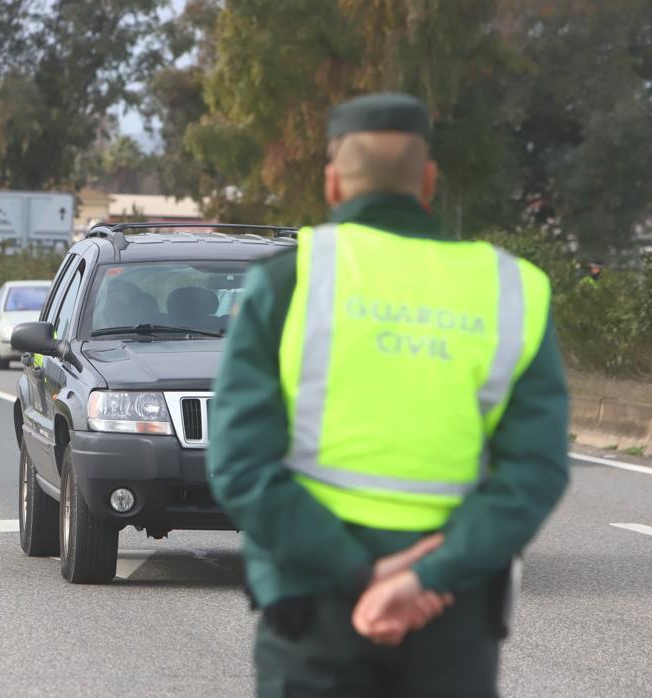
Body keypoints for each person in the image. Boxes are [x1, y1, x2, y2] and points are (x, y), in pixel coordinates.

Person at [206, 93, 570, 697]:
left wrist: (358, 573)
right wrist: (424, 576)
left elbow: (241, 466)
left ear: (332, 183)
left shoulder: (288, 282)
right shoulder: (512, 289)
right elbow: (535, 471)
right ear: (429, 180)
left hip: (312, 602)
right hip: (449, 608)